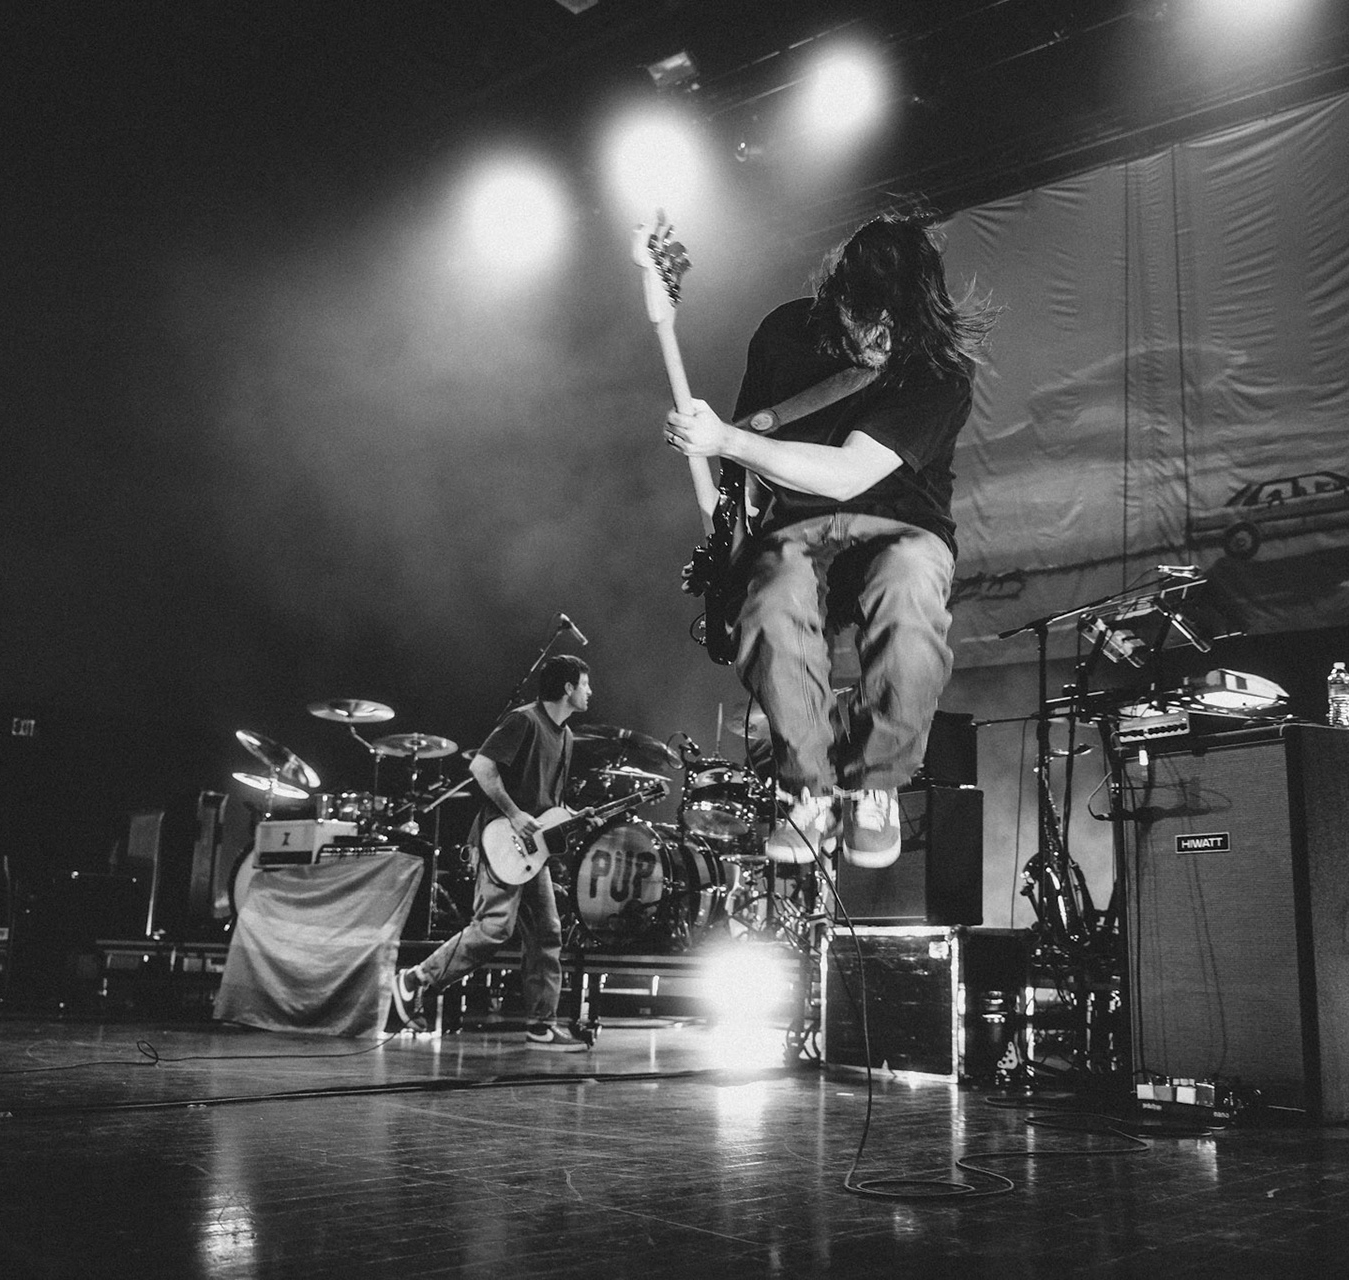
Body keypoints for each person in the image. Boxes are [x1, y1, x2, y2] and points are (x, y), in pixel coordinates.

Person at [665, 212, 992, 869]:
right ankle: (806, 789)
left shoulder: (940, 369)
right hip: (797, 526)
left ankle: (875, 783)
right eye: (868, 320)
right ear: (839, 297)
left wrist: (724, 439)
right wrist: (729, 542)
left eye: (894, 326)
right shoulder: (784, 333)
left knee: (909, 592)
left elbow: (847, 474)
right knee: (771, 603)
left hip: (901, 525)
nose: (879, 337)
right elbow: (751, 452)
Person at [391, 654, 591, 1050]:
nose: (590, 692)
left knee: (547, 933)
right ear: (568, 688)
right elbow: (481, 768)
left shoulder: (566, 736)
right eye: (585, 684)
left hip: (533, 852)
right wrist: (514, 814)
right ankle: (415, 980)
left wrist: (575, 817)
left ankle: (541, 1025)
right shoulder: (524, 720)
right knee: (494, 927)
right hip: (499, 841)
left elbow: (547, 802)